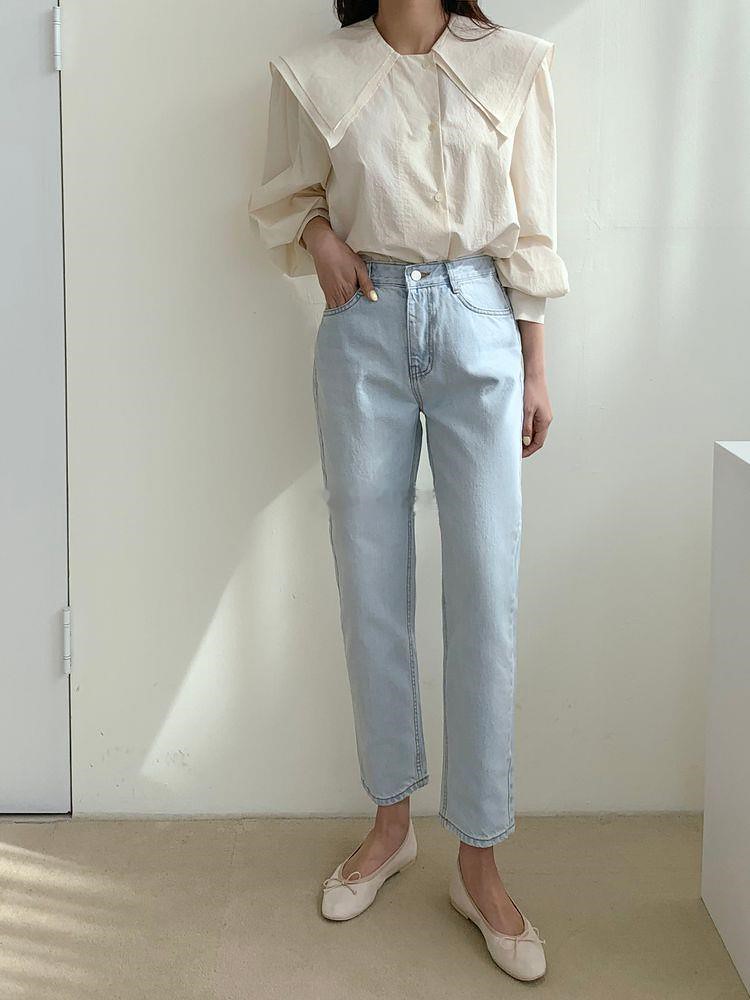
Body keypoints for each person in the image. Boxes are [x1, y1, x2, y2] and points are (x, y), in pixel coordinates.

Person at [248, 0, 569, 982]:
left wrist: (537, 366)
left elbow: (530, 224)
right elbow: (287, 193)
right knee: (370, 582)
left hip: (479, 322)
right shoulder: (317, 72)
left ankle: (480, 859)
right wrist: (319, 237)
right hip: (363, 323)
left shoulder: (513, 64)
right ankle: (391, 824)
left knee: (486, 591)